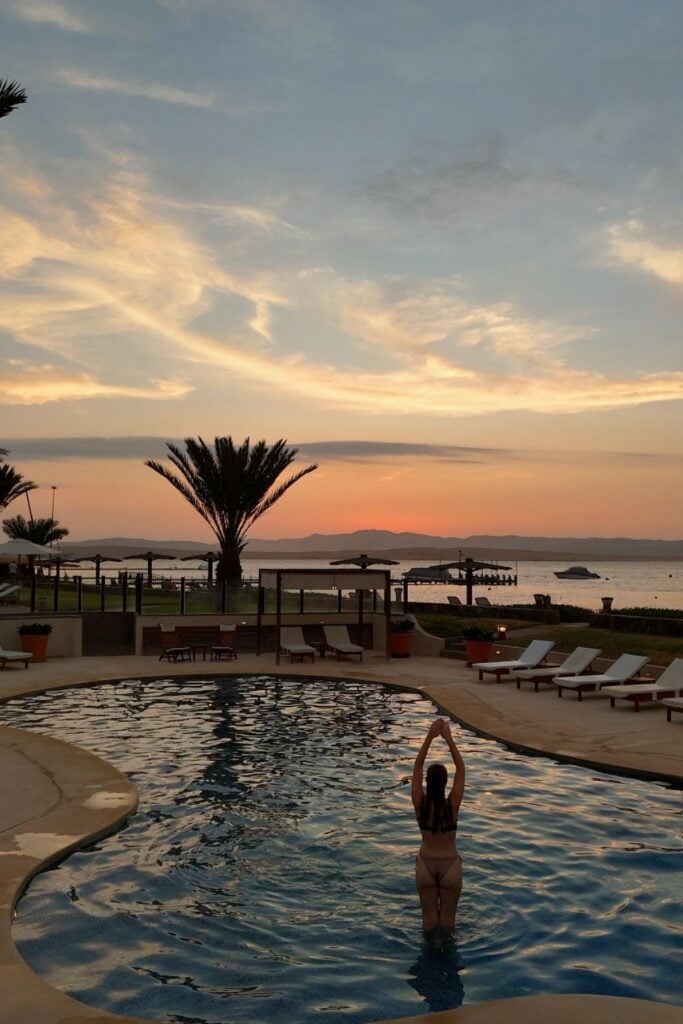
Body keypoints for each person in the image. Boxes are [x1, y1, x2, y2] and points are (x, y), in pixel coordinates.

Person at [412, 718, 465, 940]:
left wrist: (429, 737)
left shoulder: (420, 804)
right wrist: (449, 739)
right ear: (445, 783)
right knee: (448, 925)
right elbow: (461, 768)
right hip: (450, 866)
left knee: (429, 924)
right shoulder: (451, 805)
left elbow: (417, 766)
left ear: (428, 782)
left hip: (425, 864)